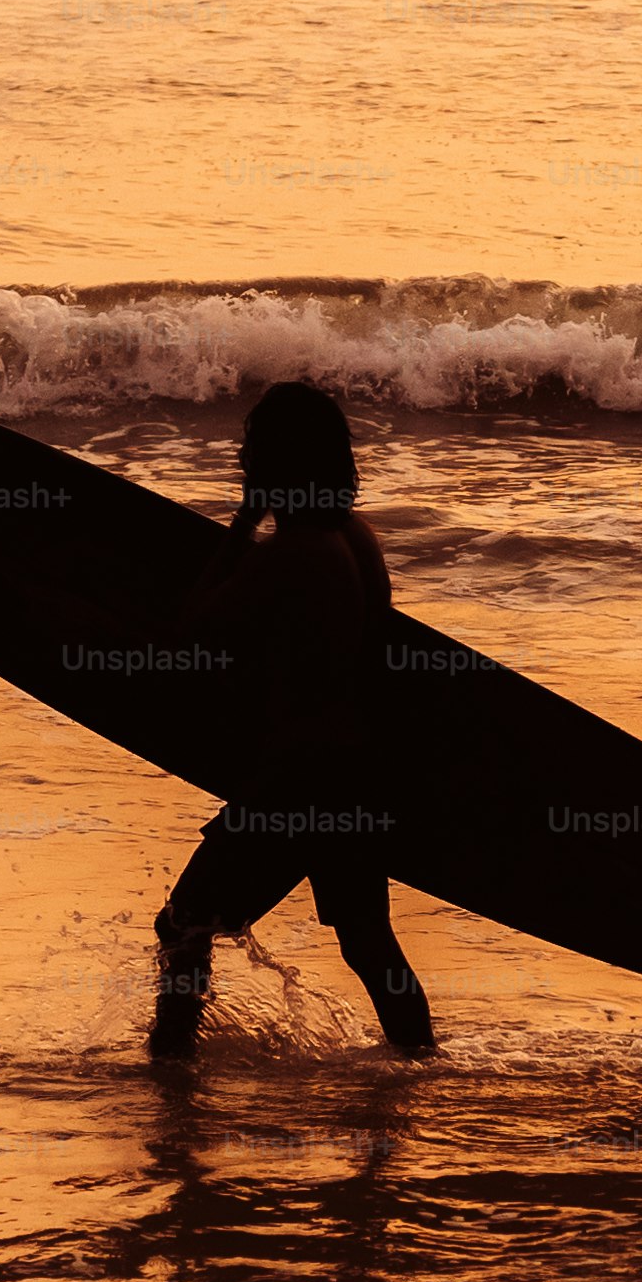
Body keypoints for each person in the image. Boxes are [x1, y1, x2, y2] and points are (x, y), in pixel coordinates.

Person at [149, 383, 434, 1061]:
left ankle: (170, 1071)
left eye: (253, 448)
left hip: (299, 781)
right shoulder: (355, 538)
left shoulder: (293, 552)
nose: (241, 458)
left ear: (283, 460)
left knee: (183, 924)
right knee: (368, 941)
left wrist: (243, 526)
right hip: (356, 774)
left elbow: (192, 635)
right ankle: (422, 1064)